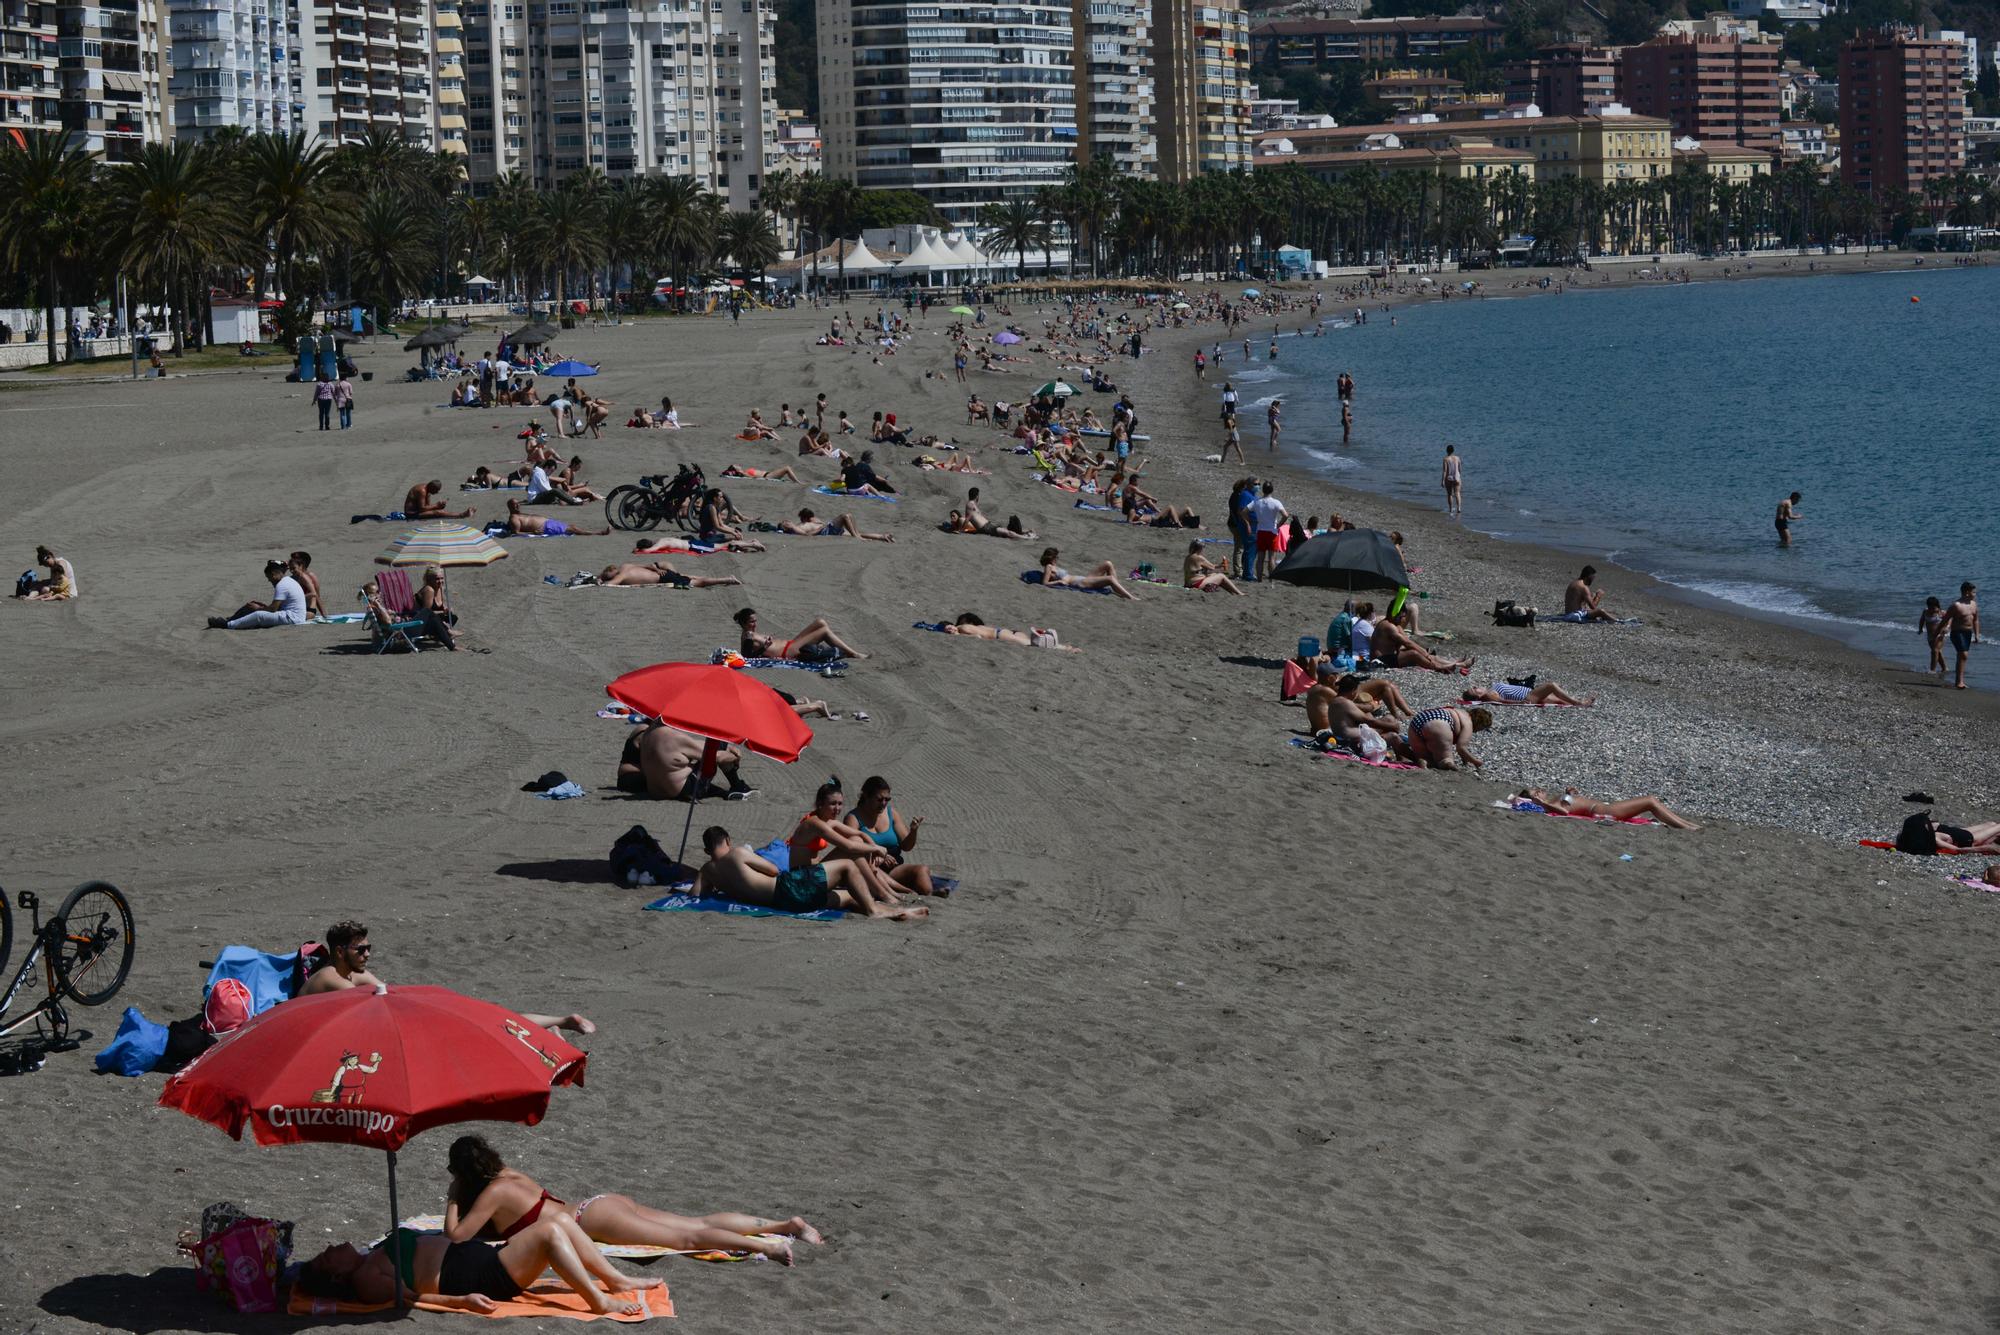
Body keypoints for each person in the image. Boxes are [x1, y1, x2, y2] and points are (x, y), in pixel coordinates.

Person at [442, 1135, 820, 1268]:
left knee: (688, 1239)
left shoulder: (491, 1194)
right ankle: (786, 1226)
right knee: (695, 1223)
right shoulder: (510, 1175)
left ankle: (765, 1247)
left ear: (464, 1174)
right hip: (601, 1203)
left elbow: (457, 1237)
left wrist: (453, 1197)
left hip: (594, 1221)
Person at [294, 1218, 656, 1316]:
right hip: (478, 1277)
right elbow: (410, 1300)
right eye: (327, 1257)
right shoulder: (365, 1279)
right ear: (336, 1275)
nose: (329, 1247)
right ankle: (598, 1299)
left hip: (485, 1257)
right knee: (549, 1233)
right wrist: (462, 1301)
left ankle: (615, 1279)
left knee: (561, 1220)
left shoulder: (370, 1255)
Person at [300, 921, 593, 1032]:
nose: (367, 955)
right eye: (360, 950)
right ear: (339, 952)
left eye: (369, 948)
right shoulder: (329, 979)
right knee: (479, 1024)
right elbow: (376, 1004)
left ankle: (558, 1022)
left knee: (484, 1018)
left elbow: (389, 994)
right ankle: (552, 1025)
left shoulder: (354, 976)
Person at [694, 826, 925, 920]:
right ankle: (875, 909)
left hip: (782, 904)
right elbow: (774, 870)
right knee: (847, 866)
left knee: (848, 898)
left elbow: (696, 894)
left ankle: (897, 912)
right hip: (785, 888)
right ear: (727, 840)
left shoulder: (707, 870)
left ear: (707, 850)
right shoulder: (737, 854)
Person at [788, 780, 914, 902]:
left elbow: (859, 834)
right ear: (820, 803)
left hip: (814, 872)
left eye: (840, 804)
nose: (837, 809)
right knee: (854, 848)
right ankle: (882, 892)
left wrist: (873, 846)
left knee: (857, 840)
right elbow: (849, 846)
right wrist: (877, 849)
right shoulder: (815, 824)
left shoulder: (829, 821)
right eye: (833, 804)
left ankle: (887, 892)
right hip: (802, 879)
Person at [842, 775, 940, 895]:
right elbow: (851, 849)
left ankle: (930, 894)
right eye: (879, 799)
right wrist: (878, 854)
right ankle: (905, 890)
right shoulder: (853, 818)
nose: (883, 803)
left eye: (887, 799)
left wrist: (913, 831)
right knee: (874, 872)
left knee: (922, 870)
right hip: (868, 869)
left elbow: (906, 846)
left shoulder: (891, 813)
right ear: (866, 796)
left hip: (894, 868)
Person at [615, 721, 754, 800]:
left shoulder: (646, 733)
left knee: (686, 761)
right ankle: (737, 785)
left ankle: (726, 792)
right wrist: (735, 757)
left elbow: (689, 745)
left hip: (654, 789)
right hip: (682, 791)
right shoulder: (675, 738)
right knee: (718, 744)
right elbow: (715, 757)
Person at [1306, 669, 1404, 761]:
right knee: (1393, 735)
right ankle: (1414, 760)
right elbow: (1369, 721)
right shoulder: (1340, 700)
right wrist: (1392, 726)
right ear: (1353, 691)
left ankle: (1401, 758)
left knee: (1389, 719)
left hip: (1345, 735)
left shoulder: (1335, 699)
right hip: (1351, 741)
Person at [1518, 787, 1700, 830]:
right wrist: (1542, 804)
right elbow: (1564, 812)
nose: (1540, 791)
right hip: (1605, 811)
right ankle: (1686, 827)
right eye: (1536, 793)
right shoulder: (1549, 804)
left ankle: (1687, 824)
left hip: (1604, 807)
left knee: (1652, 801)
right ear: (1534, 800)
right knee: (1650, 801)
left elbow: (1568, 805)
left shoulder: (1555, 798)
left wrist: (1570, 793)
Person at [734, 607, 869, 660]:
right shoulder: (748, 636)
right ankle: (853, 653)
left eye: (755, 621)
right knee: (824, 631)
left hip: (790, 644)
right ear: (745, 623)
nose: (755, 624)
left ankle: (849, 651)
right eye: (752, 622)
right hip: (788, 651)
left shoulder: (750, 633)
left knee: (820, 622)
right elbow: (747, 657)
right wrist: (764, 647)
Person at [208, 559, 309, 629]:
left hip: (293, 618)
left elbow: (273, 609)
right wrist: (262, 606)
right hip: (291, 615)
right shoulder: (287, 581)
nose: (269, 580)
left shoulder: (282, 585)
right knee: (252, 606)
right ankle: (230, 619)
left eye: (268, 577)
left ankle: (227, 625)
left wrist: (258, 608)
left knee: (258, 615)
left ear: (273, 574)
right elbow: (277, 607)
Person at [1370, 618, 1473, 674]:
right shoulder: (1389, 626)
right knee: (1414, 653)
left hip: (1389, 657)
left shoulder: (1395, 626)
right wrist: (1424, 653)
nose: (1405, 619)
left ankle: (1457, 664)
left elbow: (1406, 642)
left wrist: (1425, 653)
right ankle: (1438, 667)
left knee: (1426, 654)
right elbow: (1408, 643)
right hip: (1380, 661)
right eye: (1403, 616)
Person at [1405, 704, 1491, 770]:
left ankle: (1423, 761)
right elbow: (1461, 747)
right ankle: (1446, 763)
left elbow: (1461, 751)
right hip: (1439, 722)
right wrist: (1475, 761)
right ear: (1479, 723)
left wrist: (1465, 759)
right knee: (1445, 760)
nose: (1477, 731)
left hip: (1418, 721)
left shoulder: (1457, 711)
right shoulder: (1468, 722)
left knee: (1426, 758)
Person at [1036, 547, 1137, 599]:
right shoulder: (1048, 567)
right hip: (1080, 583)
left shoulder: (1053, 566)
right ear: (1051, 557)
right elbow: (1044, 583)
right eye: (1056, 557)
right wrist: (1058, 582)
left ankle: (1118, 587)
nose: (1057, 559)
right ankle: (1130, 597)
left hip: (1083, 579)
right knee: (1110, 578)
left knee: (1108, 564)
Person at [942, 613, 1076, 651]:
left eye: (949, 627)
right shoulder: (969, 627)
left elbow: (976, 636)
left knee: (1031, 643)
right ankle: (1060, 645)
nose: (951, 630)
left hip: (1001, 635)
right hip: (1006, 631)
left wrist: (958, 636)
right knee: (1030, 641)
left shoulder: (962, 628)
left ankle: (1066, 648)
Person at [1941, 582, 1980, 690]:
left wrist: (1977, 635)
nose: (1975, 594)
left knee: (1961, 656)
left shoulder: (1974, 604)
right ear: (1967, 592)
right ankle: (1959, 682)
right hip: (1957, 632)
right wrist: (1939, 631)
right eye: (1974, 592)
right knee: (1963, 655)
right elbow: (1945, 619)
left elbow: (1976, 620)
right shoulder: (1956, 605)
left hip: (1968, 633)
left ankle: (1959, 681)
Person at [505, 497, 609, 537]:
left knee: (572, 527)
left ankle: (596, 532)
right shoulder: (514, 518)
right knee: (573, 529)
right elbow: (516, 532)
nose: (518, 505)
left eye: (518, 503)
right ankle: (598, 533)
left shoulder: (518, 514)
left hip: (548, 523)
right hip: (546, 527)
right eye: (515, 504)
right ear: (509, 507)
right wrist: (533, 533)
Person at [597, 561, 741, 589]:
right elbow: (647, 565)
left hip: (663, 577)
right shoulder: (625, 565)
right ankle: (726, 579)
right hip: (661, 573)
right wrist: (656, 569)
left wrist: (600, 582)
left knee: (698, 583)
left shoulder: (622, 574)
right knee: (688, 577)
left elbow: (609, 585)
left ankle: (727, 579)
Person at [779, 508, 894, 542]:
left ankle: (881, 537)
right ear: (786, 527)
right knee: (845, 516)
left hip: (828, 530)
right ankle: (856, 537)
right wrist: (821, 527)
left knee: (858, 531)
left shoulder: (804, 523)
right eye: (785, 523)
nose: (787, 521)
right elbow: (807, 535)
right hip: (826, 531)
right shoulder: (797, 528)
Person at [1249, 482, 1288, 581]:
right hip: (1272, 531)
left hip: (1261, 531)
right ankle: (1271, 578)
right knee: (1272, 558)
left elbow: (1244, 511)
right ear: (1272, 490)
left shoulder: (1257, 502)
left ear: (1263, 490)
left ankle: (1259, 578)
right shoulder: (1276, 502)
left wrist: (1249, 522)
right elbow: (1285, 515)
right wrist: (1279, 525)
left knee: (1260, 557)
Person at [1462, 679, 1593, 707]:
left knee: (1557, 698)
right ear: (1479, 696)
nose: (1475, 686)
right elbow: (1500, 701)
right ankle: (1578, 702)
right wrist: (1519, 702)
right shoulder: (1488, 694)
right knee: (1552, 685)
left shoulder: (1491, 689)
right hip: (1526, 697)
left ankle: (1578, 702)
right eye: (1474, 689)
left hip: (1529, 693)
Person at [407, 480, 476, 520]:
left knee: (439, 511)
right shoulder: (422, 491)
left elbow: (427, 506)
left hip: (417, 511)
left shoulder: (427, 491)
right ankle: (462, 515)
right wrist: (436, 505)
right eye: (436, 491)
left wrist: (439, 506)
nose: (436, 493)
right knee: (438, 512)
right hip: (411, 514)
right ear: (432, 488)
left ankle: (461, 514)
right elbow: (422, 508)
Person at [288, 551, 325, 619]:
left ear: (302, 564)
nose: (292, 560)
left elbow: (317, 596)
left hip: (308, 609)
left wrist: (324, 615)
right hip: (297, 608)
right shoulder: (293, 577)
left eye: (295, 559)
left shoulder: (311, 576)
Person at [1920, 596, 1948, 676]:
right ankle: (1944, 668)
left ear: (1937, 606)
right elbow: (1922, 620)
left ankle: (1932, 670)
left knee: (1935, 651)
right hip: (1930, 636)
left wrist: (1947, 628)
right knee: (1938, 652)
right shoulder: (1925, 611)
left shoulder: (1941, 612)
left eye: (1933, 607)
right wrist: (1920, 629)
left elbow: (1949, 620)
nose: (1932, 609)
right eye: (1930, 607)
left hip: (1940, 635)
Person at [720, 463, 804, 482]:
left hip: (768, 474)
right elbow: (752, 477)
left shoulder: (744, 471)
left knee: (787, 468)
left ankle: (796, 481)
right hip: (767, 476)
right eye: (736, 465)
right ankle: (798, 482)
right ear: (736, 469)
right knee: (787, 468)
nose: (738, 465)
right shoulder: (743, 473)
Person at [1442, 445, 1462, 517]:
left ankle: (1450, 509)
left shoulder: (1446, 459)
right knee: (1457, 493)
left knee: (1450, 494)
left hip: (1449, 478)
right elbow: (1460, 469)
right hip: (1457, 477)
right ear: (1453, 450)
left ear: (1447, 451)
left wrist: (1442, 481)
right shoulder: (1457, 458)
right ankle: (1459, 508)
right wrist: (1459, 476)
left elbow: (1445, 471)